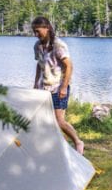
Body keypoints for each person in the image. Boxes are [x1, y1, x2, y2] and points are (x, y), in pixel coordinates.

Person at [31, 16, 84, 155]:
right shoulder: (37, 46)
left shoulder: (58, 45)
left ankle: (78, 142)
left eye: (37, 31)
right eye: (34, 31)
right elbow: (39, 64)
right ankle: (56, 147)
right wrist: (36, 84)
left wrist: (63, 87)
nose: (35, 34)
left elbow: (69, 66)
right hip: (44, 89)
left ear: (47, 28)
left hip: (58, 87)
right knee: (45, 120)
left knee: (59, 121)